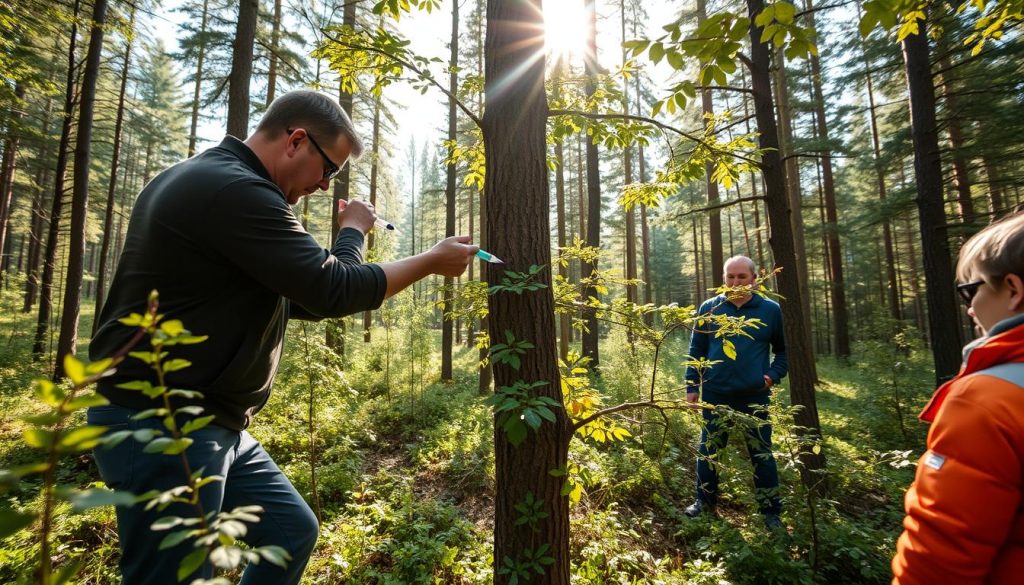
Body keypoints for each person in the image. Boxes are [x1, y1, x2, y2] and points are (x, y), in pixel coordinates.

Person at [86, 90, 478, 585]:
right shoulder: (233, 189)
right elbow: (333, 289)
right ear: (296, 140)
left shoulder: (214, 181)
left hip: (211, 423)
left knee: (290, 532)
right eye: (328, 169)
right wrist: (425, 259)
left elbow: (307, 297)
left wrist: (351, 239)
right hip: (163, 424)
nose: (321, 186)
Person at [892, 211, 1024, 584]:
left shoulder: (987, 400)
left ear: (1013, 289)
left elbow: (939, 558)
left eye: (971, 290)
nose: (968, 308)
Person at [683, 255, 787, 529]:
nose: (736, 282)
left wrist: (771, 377)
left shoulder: (770, 310)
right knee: (709, 449)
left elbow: (784, 352)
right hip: (716, 394)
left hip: (755, 395)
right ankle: (703, 502)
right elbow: (696, 351)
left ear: (754, 279)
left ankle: (771, 513)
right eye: (731, 276)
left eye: (742, 277)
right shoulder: (709, 308)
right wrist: (692, 385)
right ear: (723, 278)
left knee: (761, 454)